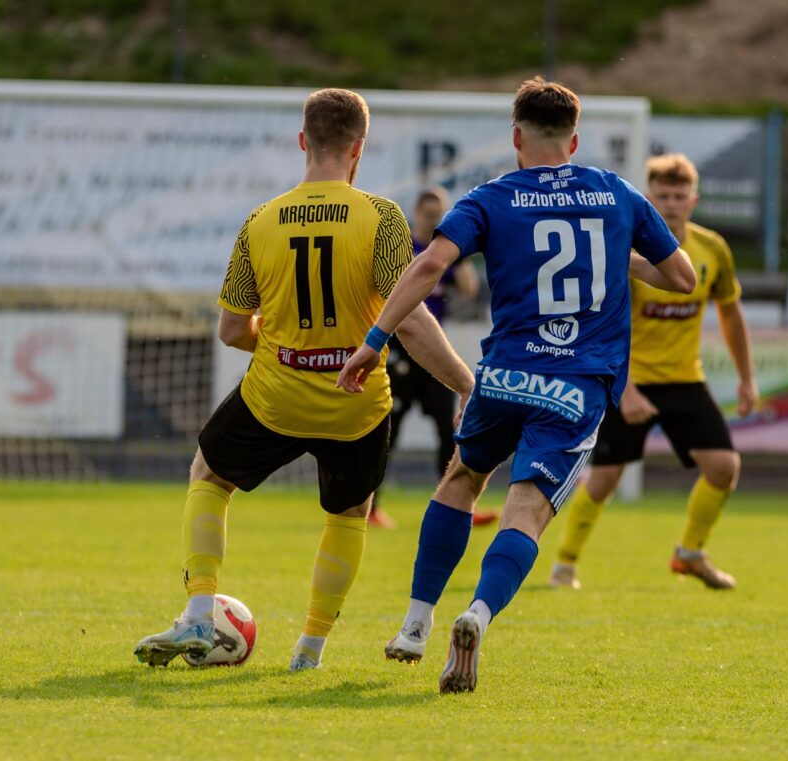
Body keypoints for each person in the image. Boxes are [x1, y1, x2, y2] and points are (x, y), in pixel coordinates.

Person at [337, 78, 696, 693]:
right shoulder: (617, 193)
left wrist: (374, 340)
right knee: (527, 509)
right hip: (576, 385)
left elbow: (429, 265)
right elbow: (682, 277)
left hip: (505, 376)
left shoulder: (491, 197)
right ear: (574, 141)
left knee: (461, 479)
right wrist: (616, 258)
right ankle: (477, 614)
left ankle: (415, 624)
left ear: (516, 138)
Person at [133, 88, 473, 671]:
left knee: (209, 474)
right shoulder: (382, 217)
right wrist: (466, 385)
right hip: (356, 404)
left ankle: (198, 610)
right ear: (358, 149)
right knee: (350, 512)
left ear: (302, 142)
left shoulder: (260, 221)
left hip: (277, 395)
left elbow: (232, 330)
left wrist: (284, 345)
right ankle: (309, 651)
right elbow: (413, 323)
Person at [548, 153, 758, 591]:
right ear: (649, 198)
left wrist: (746, 378)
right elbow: (603, 326)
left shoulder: (712, 249)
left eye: (680, 196)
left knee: (724, 467)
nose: (672, 203)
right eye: (663, 195)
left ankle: (690, 553)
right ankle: (565, 564)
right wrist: (626, 389)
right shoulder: (628, 255)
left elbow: (730, 312)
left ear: (693, 200)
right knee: (604, 480)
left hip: (684, 379)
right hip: (631, 379)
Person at [369, 186, 498, 529]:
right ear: (416, 214)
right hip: (399, 349)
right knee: (387, 429)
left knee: (449, 427)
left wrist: (462, 253)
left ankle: (458, 505)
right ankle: (369, 505)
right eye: (429, 215)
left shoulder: (445, 253)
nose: (434, 220)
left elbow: (470, 290)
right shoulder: (404, 250)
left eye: (440, 215)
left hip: (431, 352)